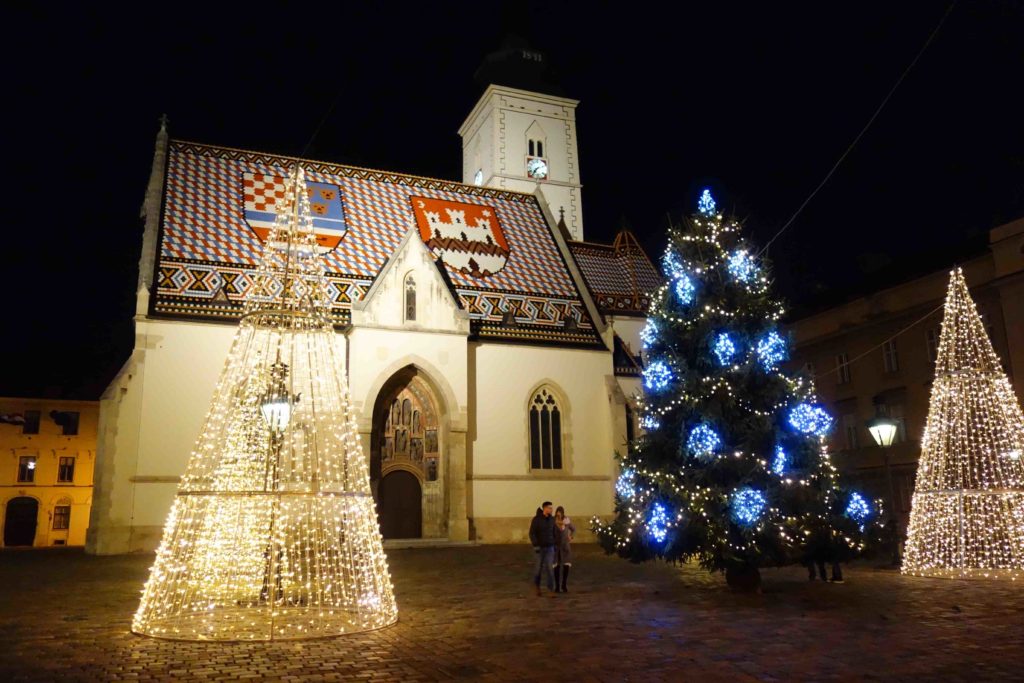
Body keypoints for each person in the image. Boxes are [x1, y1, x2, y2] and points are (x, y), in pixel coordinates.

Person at [528, 501, 556, 596]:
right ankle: (537, 587)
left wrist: (554, 543)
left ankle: (550, 589)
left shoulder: (552, 519)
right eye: (550, 508)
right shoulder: (537, 520)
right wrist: (535, 545)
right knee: (538, 569)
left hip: (550, 547)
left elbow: (554, 532)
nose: (551, 510)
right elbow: (532, 533)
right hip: (539, 548)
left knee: (549, 568)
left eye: (552, 508)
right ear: (545, 508)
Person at [553, 506, 576, 592]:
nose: (558, 515)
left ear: (562, 514)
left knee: (566, 565)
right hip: (557, 547)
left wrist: (571, 536)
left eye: (560, 513)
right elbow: (551, 532)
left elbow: (574, 529)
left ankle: (564, 584)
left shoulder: (567, 522)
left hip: (565, 547)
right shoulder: (553, 522)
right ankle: (557, 586)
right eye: (557, 513)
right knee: (557, 567)